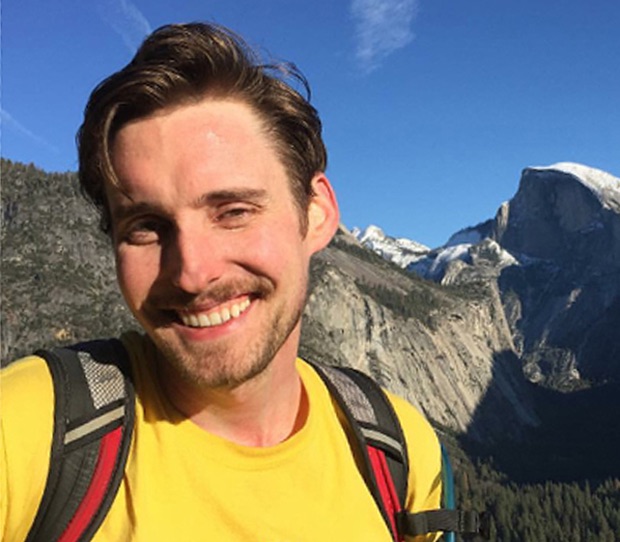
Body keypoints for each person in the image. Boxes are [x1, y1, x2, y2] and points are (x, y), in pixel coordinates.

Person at [1, 22, 442, 541]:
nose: (192, 273)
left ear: (317, 213)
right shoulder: (30, 431)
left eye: (233, 211)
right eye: (146, 227)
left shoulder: (399, 449)